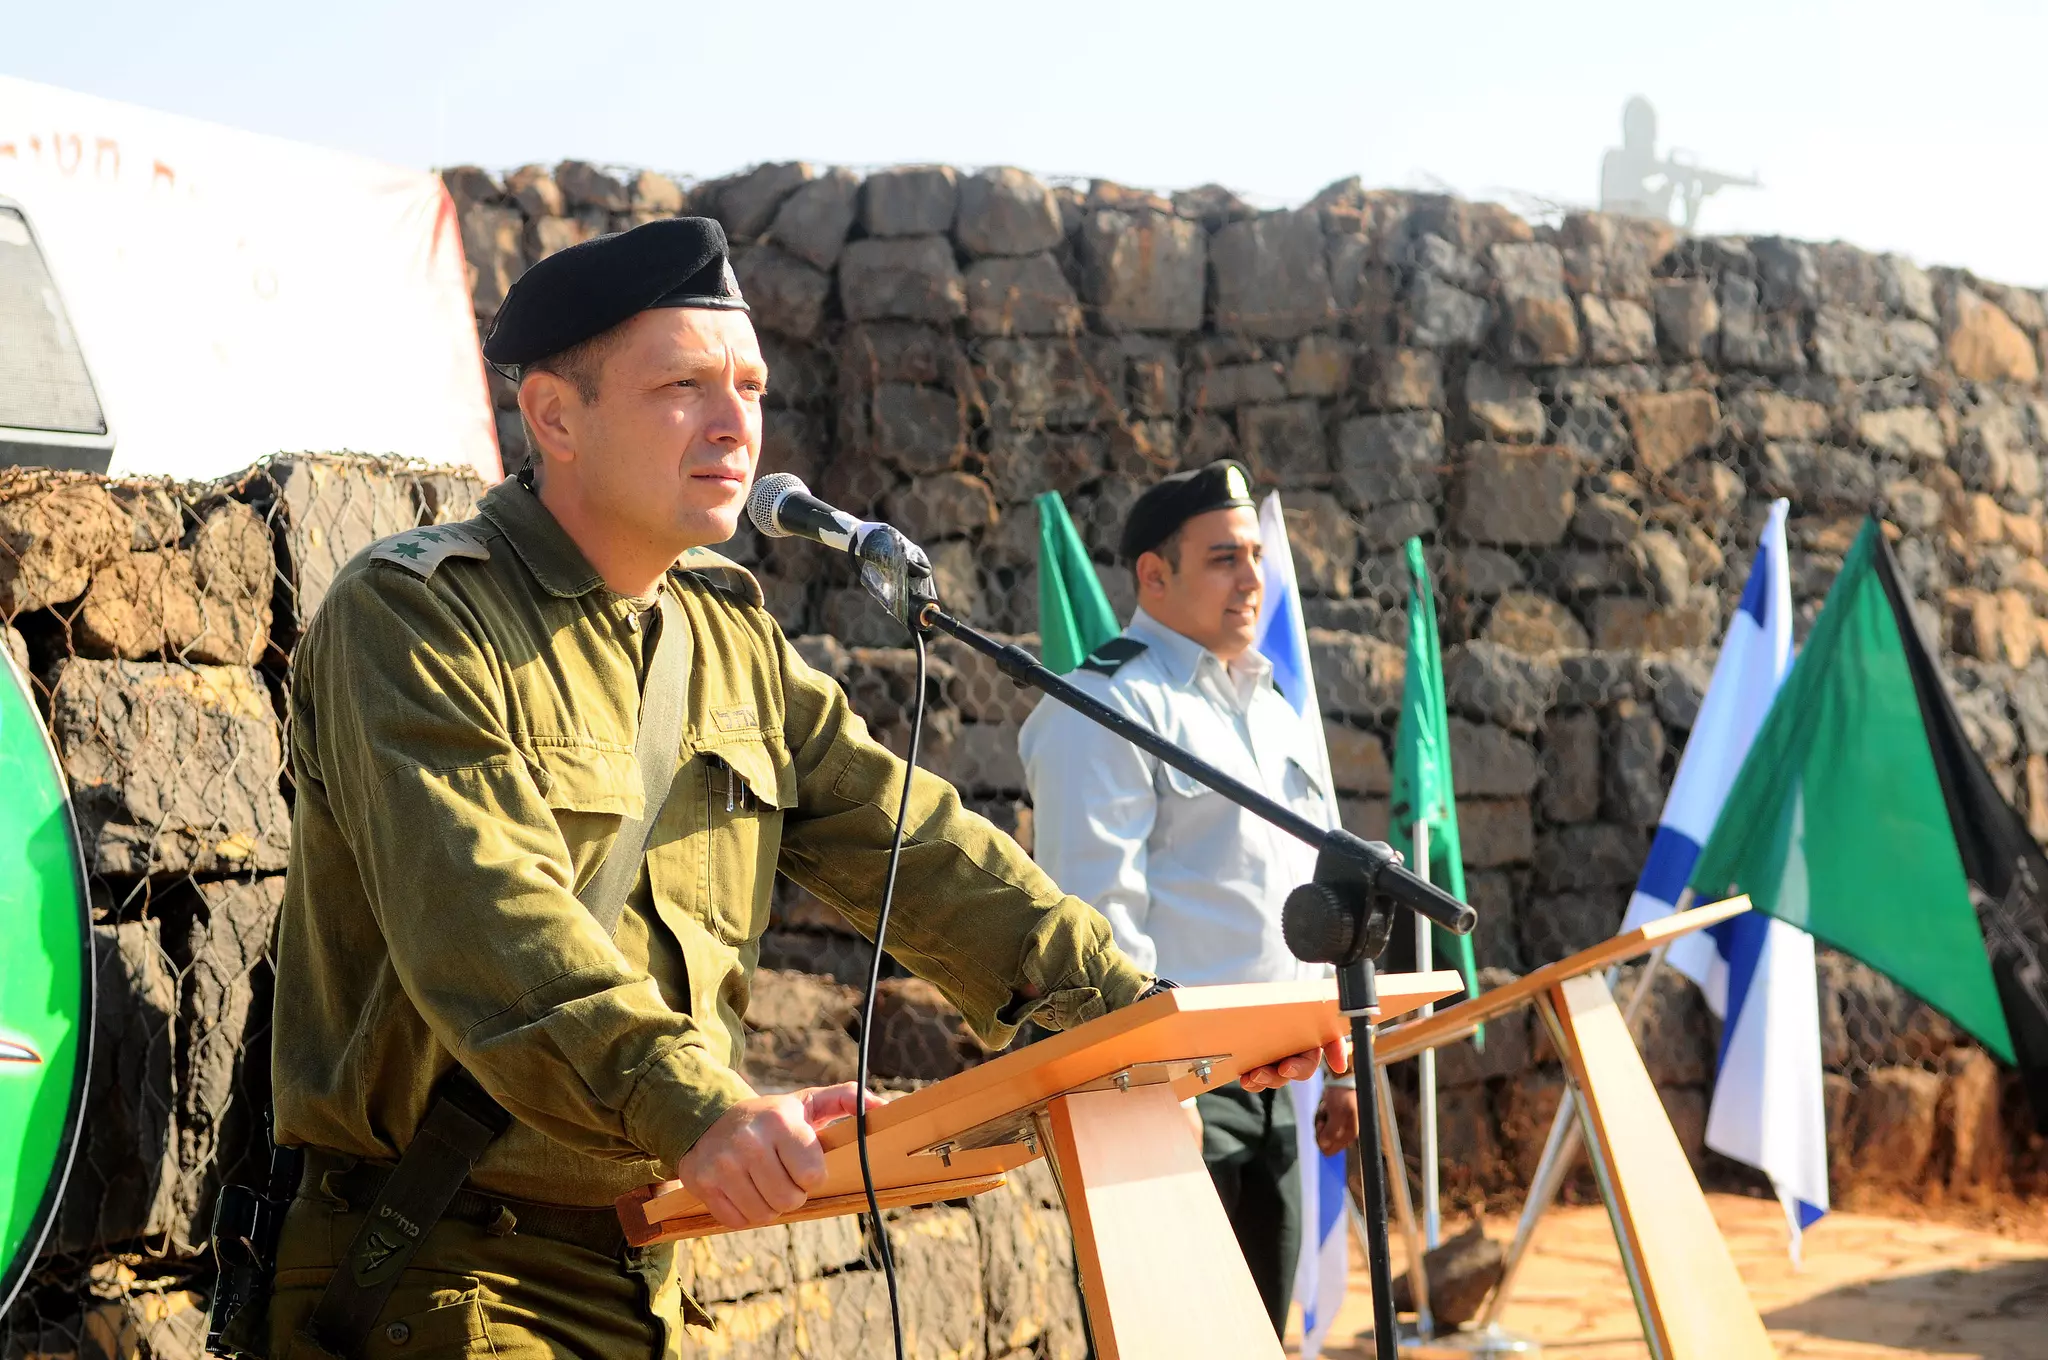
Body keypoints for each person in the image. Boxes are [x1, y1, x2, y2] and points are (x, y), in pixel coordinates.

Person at [257, 218, 1336, 1360]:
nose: (735, 425)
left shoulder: (727, 632)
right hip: (440, 1260)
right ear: (556, 418)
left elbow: (914, 845)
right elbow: (490, 925)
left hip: (644, 1257)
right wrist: (699, 1106)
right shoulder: (416, 617)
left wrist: (1135, 1022)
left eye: (749, 387)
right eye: (682, 385)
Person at [1018, 459, 1359, 1338]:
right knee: (1165, 1333)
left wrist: (1342, 1044)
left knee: (1252, 1333)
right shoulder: (1106, 704)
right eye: (1224, 558)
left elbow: (1317, 898)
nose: (1254, 579)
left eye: (1256, 555)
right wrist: (1152, 1092)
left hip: (1283, 1076)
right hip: (1174, 1088)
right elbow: (1099, 919)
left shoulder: (1274, 705)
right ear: (1154, 575)